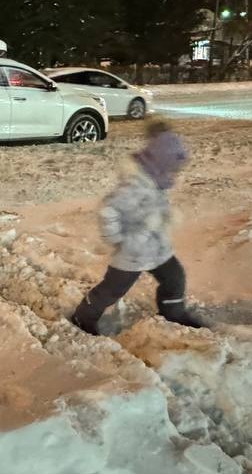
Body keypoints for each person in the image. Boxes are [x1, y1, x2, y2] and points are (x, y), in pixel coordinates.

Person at [72, 120, 203, 334]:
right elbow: (108, 209)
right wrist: (118, 239)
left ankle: (174, 314)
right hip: (132, 252)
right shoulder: (133, 186)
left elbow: (152, 207)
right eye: (173, 168)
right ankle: (82, 317)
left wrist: (166, 217)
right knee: (111, 290)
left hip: (157, 248)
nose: (175, 173)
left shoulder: (156, 180)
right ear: (161, 163)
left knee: (175, 278)